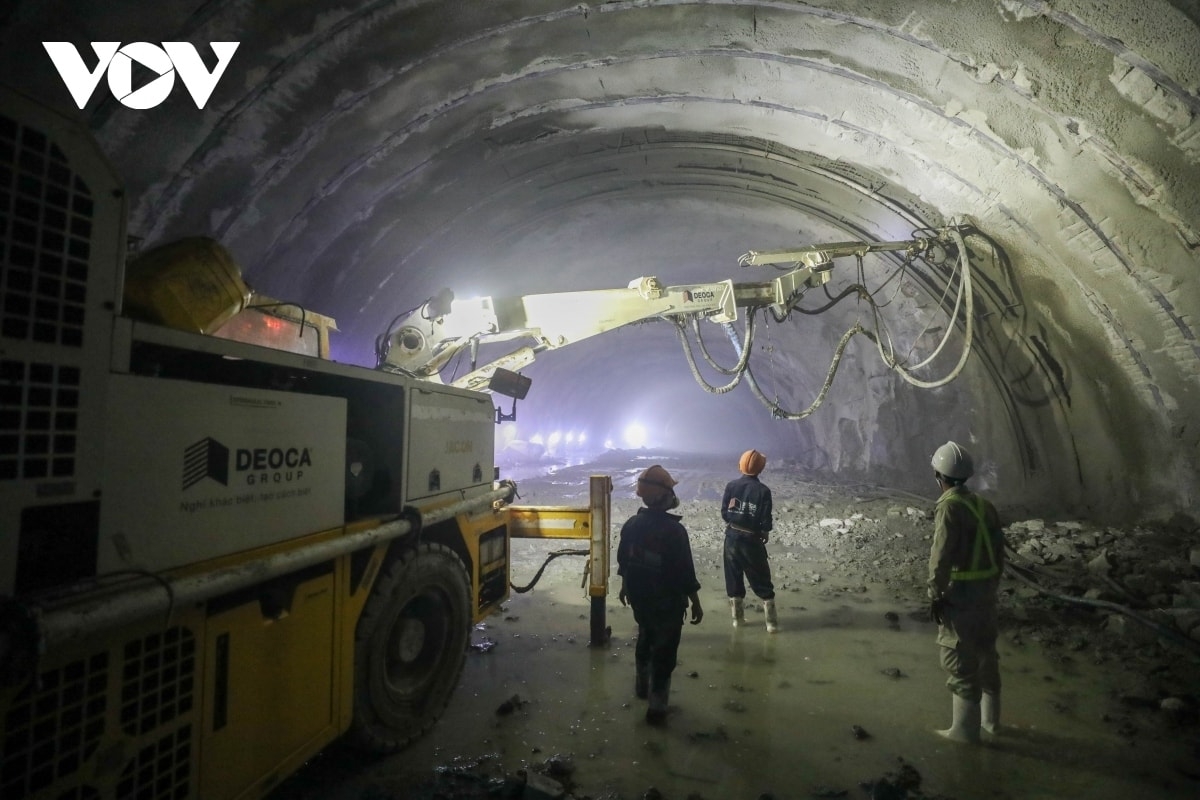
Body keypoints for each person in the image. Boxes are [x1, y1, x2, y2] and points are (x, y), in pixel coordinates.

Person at [926, 441, 1005, 743]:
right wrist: (991, 586)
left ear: (939, 476)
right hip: (986, 594)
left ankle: (964, 733)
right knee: (987, 654)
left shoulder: (949, 506)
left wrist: (935, 593)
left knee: (958, 657)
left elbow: (941, 555)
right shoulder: (984, 505)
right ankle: (992, 723)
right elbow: (998, 554)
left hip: (960, 595)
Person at [617, 464, 703, 724]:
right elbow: (684, 571)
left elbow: (624, 560)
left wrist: (624, 586)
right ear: (661, 496)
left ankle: (641, 687)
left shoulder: (631, 525)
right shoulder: (675, 531)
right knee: (664, 652)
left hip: (640, 598)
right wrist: (696, 601)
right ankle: (656, 709)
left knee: (645, 636)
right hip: (667, 602)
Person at [722, 449, 777, 632]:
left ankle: (737, 621)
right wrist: (765, 532)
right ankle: (771, 624)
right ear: (761, 469)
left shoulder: (731, 486)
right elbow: (766, 519)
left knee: (733, 578)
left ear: (740, 466)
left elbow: (724, 513)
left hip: (731, 539)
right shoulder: (763, 491)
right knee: (761, 579)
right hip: (752, 541)